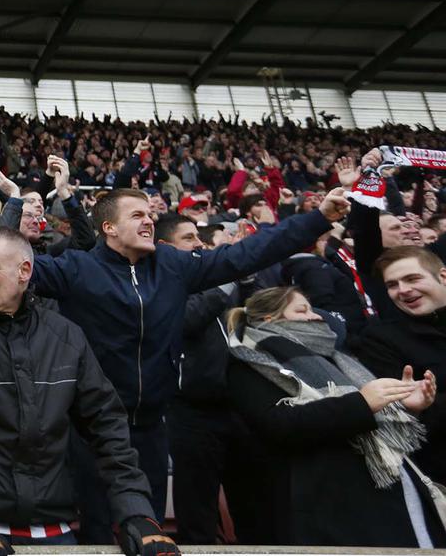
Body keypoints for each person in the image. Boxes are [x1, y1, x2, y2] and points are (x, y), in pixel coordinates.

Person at [26, 186, 351, 542]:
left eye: (150, 214)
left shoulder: (172, 265)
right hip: (92, 429)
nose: (149, 221)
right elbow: (13, 267)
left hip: (151, 426)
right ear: (109, 228)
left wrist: (317, 219)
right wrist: (1, 211)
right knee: (97, 530)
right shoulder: (77, 268)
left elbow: (246, 254)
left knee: (148, 532)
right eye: (137, 215)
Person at [0, 227, 179, 556]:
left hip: (55, 531)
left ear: (24, 271)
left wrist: (137, 513)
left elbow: (107, 427)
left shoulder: (66, 336)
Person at [226, 286, 440, 546]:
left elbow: (373, 415)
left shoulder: (337, 357)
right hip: (332, 502)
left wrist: (406, 405)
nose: (316, 316)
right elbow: (279, 425)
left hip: (389, 488)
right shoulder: (251, 362)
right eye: (302, 311)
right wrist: (362, 403)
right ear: (269, 319)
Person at [153, 213, 258, 544]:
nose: (199, 244)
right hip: (192, 411)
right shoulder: (158, 284)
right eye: (188, 238)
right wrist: (227, 279)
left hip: (241, 407)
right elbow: (186, 319)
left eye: (199, 238)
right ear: (165, 247)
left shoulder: (215, 282)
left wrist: (248, 279)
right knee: (197, 512)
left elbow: (255, 319)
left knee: (254, 507)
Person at [354, 246, 446, 484]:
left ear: (443, 276)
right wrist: (418, 406)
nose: (403, 290)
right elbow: (409, 414)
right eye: (392, 285)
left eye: (412, 278)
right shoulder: (380, 339)